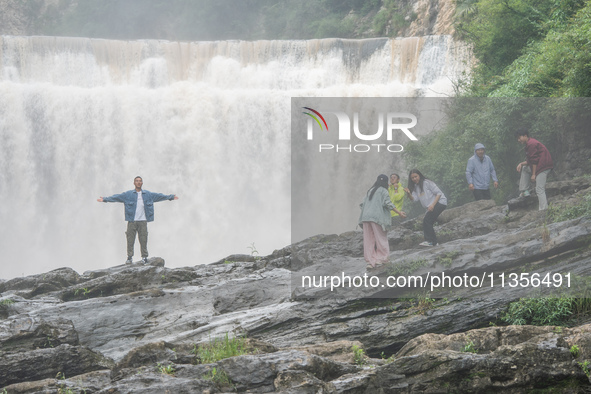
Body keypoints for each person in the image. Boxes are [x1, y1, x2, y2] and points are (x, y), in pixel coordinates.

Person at [98, 176, 179, 264]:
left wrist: (170, 197)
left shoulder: (148, 194)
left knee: (143, 239)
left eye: (140, 181)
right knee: (130, 239)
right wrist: (105, 199)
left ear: (142, 183)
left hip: (143, 220)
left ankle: (144, 257)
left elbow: (160, 196)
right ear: (134, 183)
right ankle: (129, 257)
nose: (138, 182)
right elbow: (116, 197)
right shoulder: (128, 194)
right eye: (137, 181)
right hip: (132, 220)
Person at [359, 174, 406, 268]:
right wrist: (399, 212)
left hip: (365, 217)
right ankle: (381, 259)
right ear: (385, 182)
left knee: (368, 240)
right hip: (377, 218)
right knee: (381, 238)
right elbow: (388, 203)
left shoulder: (370, 190)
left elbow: (362, 204)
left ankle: (370, 261)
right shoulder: (384, 191)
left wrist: (369, 210)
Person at [404, 169, 447, 247]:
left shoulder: (427, 182)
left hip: (440, 202)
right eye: (412, 178)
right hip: (430, 206)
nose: (414, 179)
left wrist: (433, 205)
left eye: (415, 176)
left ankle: (431, 241)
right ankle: (434, 242)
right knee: (427, 221)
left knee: (427, 220)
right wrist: (409, 193)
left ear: (419, 175)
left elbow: (439, 193)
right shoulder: (415, 187)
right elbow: (414, 199)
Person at [515, 130, 553, 210]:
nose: (518, 140)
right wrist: (521, 164)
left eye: (519, 138)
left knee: (539, 189)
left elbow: (534, 161)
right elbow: (530, 161)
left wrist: (533, 174)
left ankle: (544, 209)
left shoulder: (531, 144)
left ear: (525, 136)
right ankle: (524, 191)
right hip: (540, 166)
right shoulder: (529, 144)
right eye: (517, 139)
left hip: (543, 167)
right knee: (525, 168)